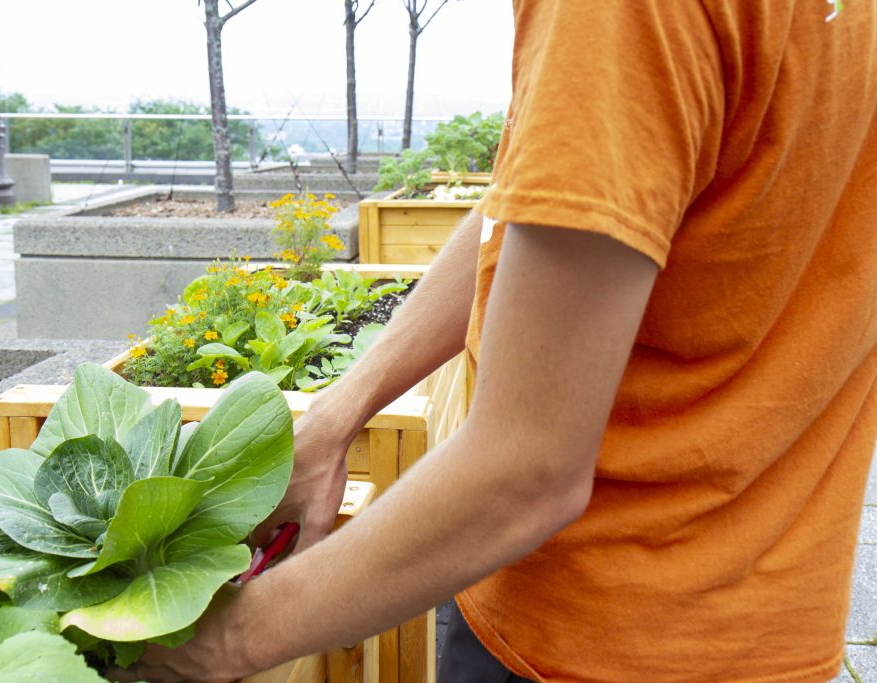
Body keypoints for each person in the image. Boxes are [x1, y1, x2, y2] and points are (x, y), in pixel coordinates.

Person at [111, 1, 877, 681]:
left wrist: (233, 638)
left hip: (587, 636)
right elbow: (546, 196)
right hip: (775, 622)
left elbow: (527, 472)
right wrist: (339, 413)